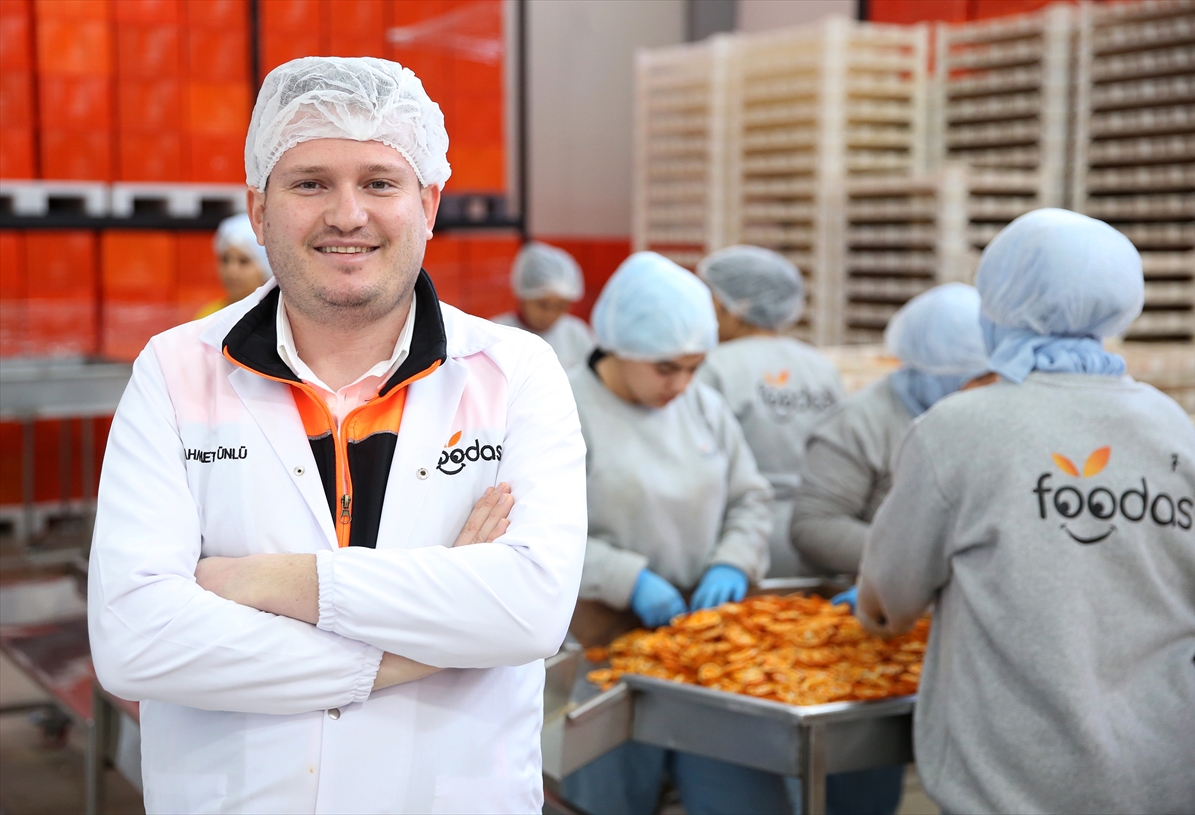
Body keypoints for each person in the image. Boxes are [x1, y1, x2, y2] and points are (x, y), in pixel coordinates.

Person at [88, 56, 587, 814]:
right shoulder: (176, 370)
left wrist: (275, 582)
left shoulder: (514, 372)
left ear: (429, 203)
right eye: (310, 183)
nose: (347, 214)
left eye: (380, 183)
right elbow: (135, 641)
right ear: (259, 210)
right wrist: (422, 645)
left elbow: (531, 610)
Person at [857, 209, 1195, 813]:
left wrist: (877, 610)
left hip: (1018, 779)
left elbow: (889, 602)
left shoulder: (959, 429)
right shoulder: (1170, 423)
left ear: (998, 302)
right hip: (1166, 766)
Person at [562, 251, 788, 815]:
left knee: (738, 799)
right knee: (611, 801)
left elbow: (750, 498)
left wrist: (733, 560)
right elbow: (537, 534)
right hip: (607, 652)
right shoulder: (565, 409)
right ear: (620, 346)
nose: (682, 384)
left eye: (694, 367)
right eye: (667, 368)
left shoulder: (704, 406)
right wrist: (628, 579)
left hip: (707, 651)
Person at [791, 282, 990, 578]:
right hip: (873, 586)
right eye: (978, 378)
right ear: (933, 373)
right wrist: (916, 562)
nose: (989, 389)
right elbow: (815, 526)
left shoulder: (988, 418)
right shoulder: (860, 424)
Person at [694, 245, 844, 577]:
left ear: (729, 306)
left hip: (739, 539)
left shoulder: (713, 367)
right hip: (820, 534)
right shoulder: (820, 366)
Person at [492, 241, 594, 370]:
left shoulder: (576, 334)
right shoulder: (498, 334)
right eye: (542, 305)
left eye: (561, 307)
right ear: (524, 296)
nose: (550, 314)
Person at [194, 213, 273, 318]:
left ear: (267, 267)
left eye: (243, 261)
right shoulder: (209, 315)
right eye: (225, 260)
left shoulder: (274, 318)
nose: (231, 270)